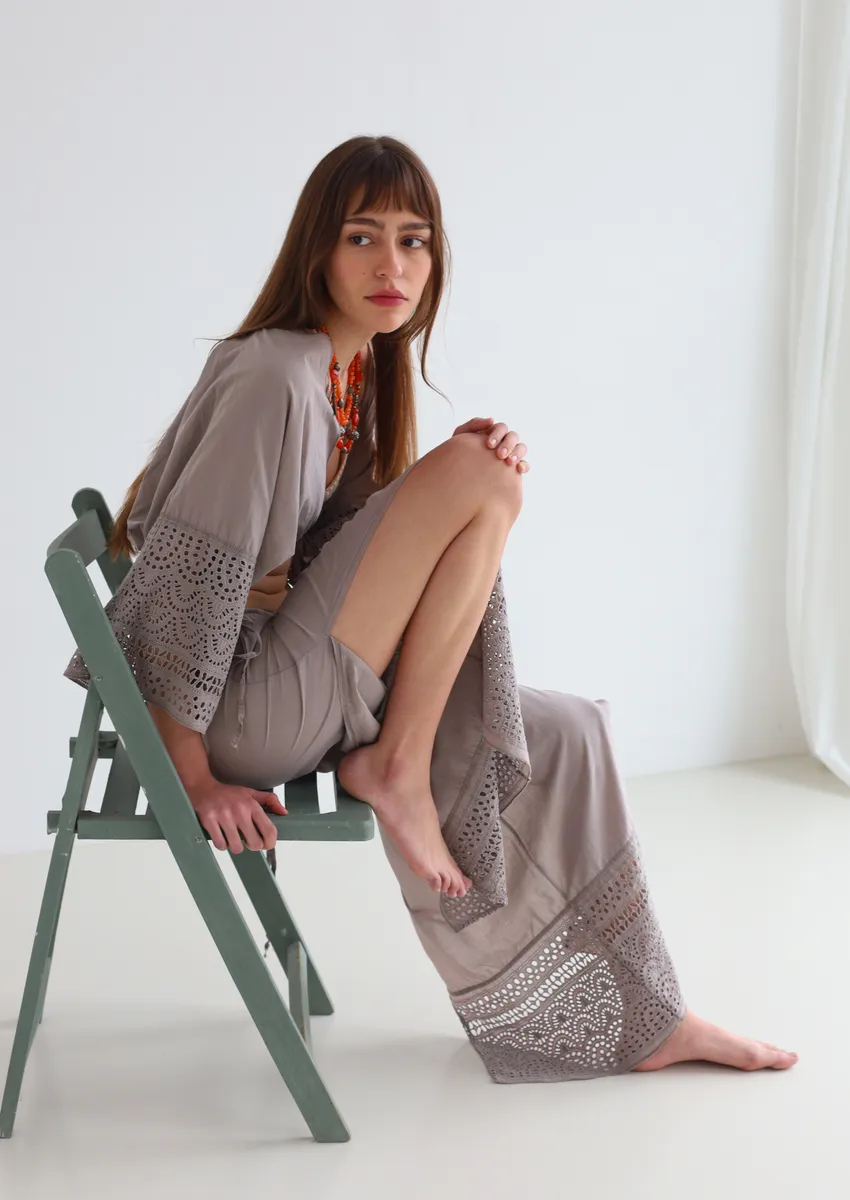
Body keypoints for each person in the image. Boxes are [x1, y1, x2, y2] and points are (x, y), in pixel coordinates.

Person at [64, 134, 798, 1081]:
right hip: (236, 712)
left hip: (296, 690)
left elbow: (342, 556)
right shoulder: (273, 373)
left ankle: (651, 1016)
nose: (392, 265)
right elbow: (189, 579)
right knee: (488, 472)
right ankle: (398, 765)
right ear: (317, 250)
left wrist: (440, 487)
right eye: (362, 237)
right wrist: (191, 773)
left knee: (565, 731)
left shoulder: (350, 374)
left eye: (413, 241)